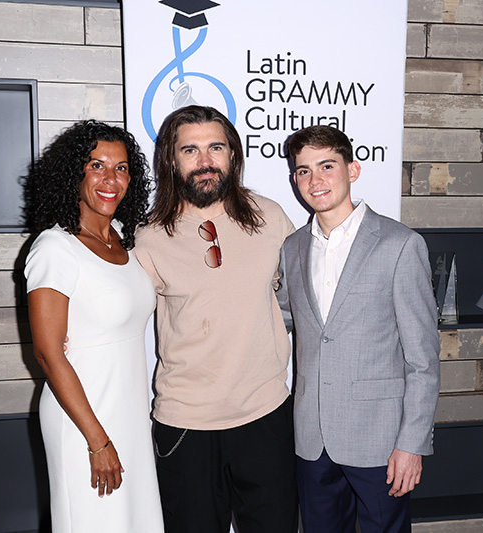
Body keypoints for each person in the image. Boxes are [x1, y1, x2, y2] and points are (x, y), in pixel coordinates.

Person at [134, 105, 297, 533]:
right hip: (186, 424)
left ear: (233, 155)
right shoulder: (148, 236)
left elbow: (308, 297)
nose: (205, 160)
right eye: (191, 149)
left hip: (265, 414)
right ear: (172, 160)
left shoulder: (271, 216)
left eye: (215, 148)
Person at [276, 125, 441, 532]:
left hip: (381, 441)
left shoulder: (399, 244)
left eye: (326, 166)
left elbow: (422, 357)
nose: (315, 180)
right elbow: (280, 322)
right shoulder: (292, 248)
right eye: (303, 171)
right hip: (312, 437)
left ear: (353, 170)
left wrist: (412, 443)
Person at [23, 120, 164, 532]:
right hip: (84, 419)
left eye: (121, 168)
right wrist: (97, 440)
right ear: (74, 173)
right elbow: (48, 354)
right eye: (97, 165)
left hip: (130, 414)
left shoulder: (122, 237)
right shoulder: (54, 248)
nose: (110, 179)